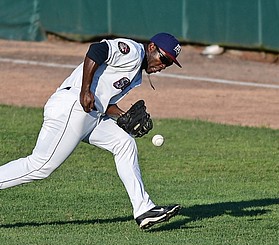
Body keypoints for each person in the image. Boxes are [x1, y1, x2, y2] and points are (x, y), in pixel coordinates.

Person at [0, 32, 182, 229]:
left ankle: (144, 210)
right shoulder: (132, 51)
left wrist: (121, 115)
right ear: (152, 47)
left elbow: (103, 101)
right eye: (164, 59)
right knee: (40, 165)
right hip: (72, 108)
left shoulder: (137, 73)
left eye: (169, 63)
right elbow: (97, 50)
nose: (163, 65)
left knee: (124, 143)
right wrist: (85, 89)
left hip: (89, 114)